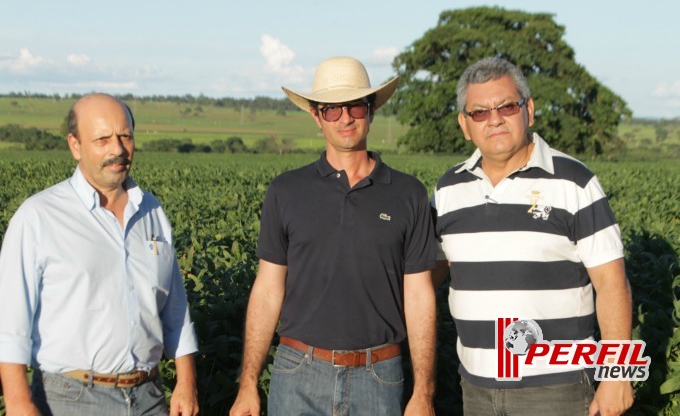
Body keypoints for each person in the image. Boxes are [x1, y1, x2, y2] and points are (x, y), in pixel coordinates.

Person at [229, 56, 438, 416]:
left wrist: (424, 393)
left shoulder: (409, 194)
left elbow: (419, 295)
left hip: (380, 376)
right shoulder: (286, 191)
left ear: (371, 110)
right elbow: (267, 289)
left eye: (355, 106)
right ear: (316, 116)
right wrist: (248, 383)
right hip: (297, 373)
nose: (345, 118)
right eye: (331, 110)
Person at [432, 57, 634, 416]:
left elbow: (613, 283)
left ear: (529, 110)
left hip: (557, 388)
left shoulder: (574, 182)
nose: (494, 119)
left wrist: (617, 375)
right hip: (476, 387)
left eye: (506, 106)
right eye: (479, 112)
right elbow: (430, 274)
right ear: (465, 125)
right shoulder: (449, 189)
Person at [0, 94, 199, 416]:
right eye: (102, 139)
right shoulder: (39, 216)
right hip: (70, 398)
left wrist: (186, 382)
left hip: (149, 395)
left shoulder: (152, 211)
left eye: (125, 136)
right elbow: (11, 320)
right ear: (75, 145)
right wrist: (19, 403)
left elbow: (175, 307)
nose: (117, 149)